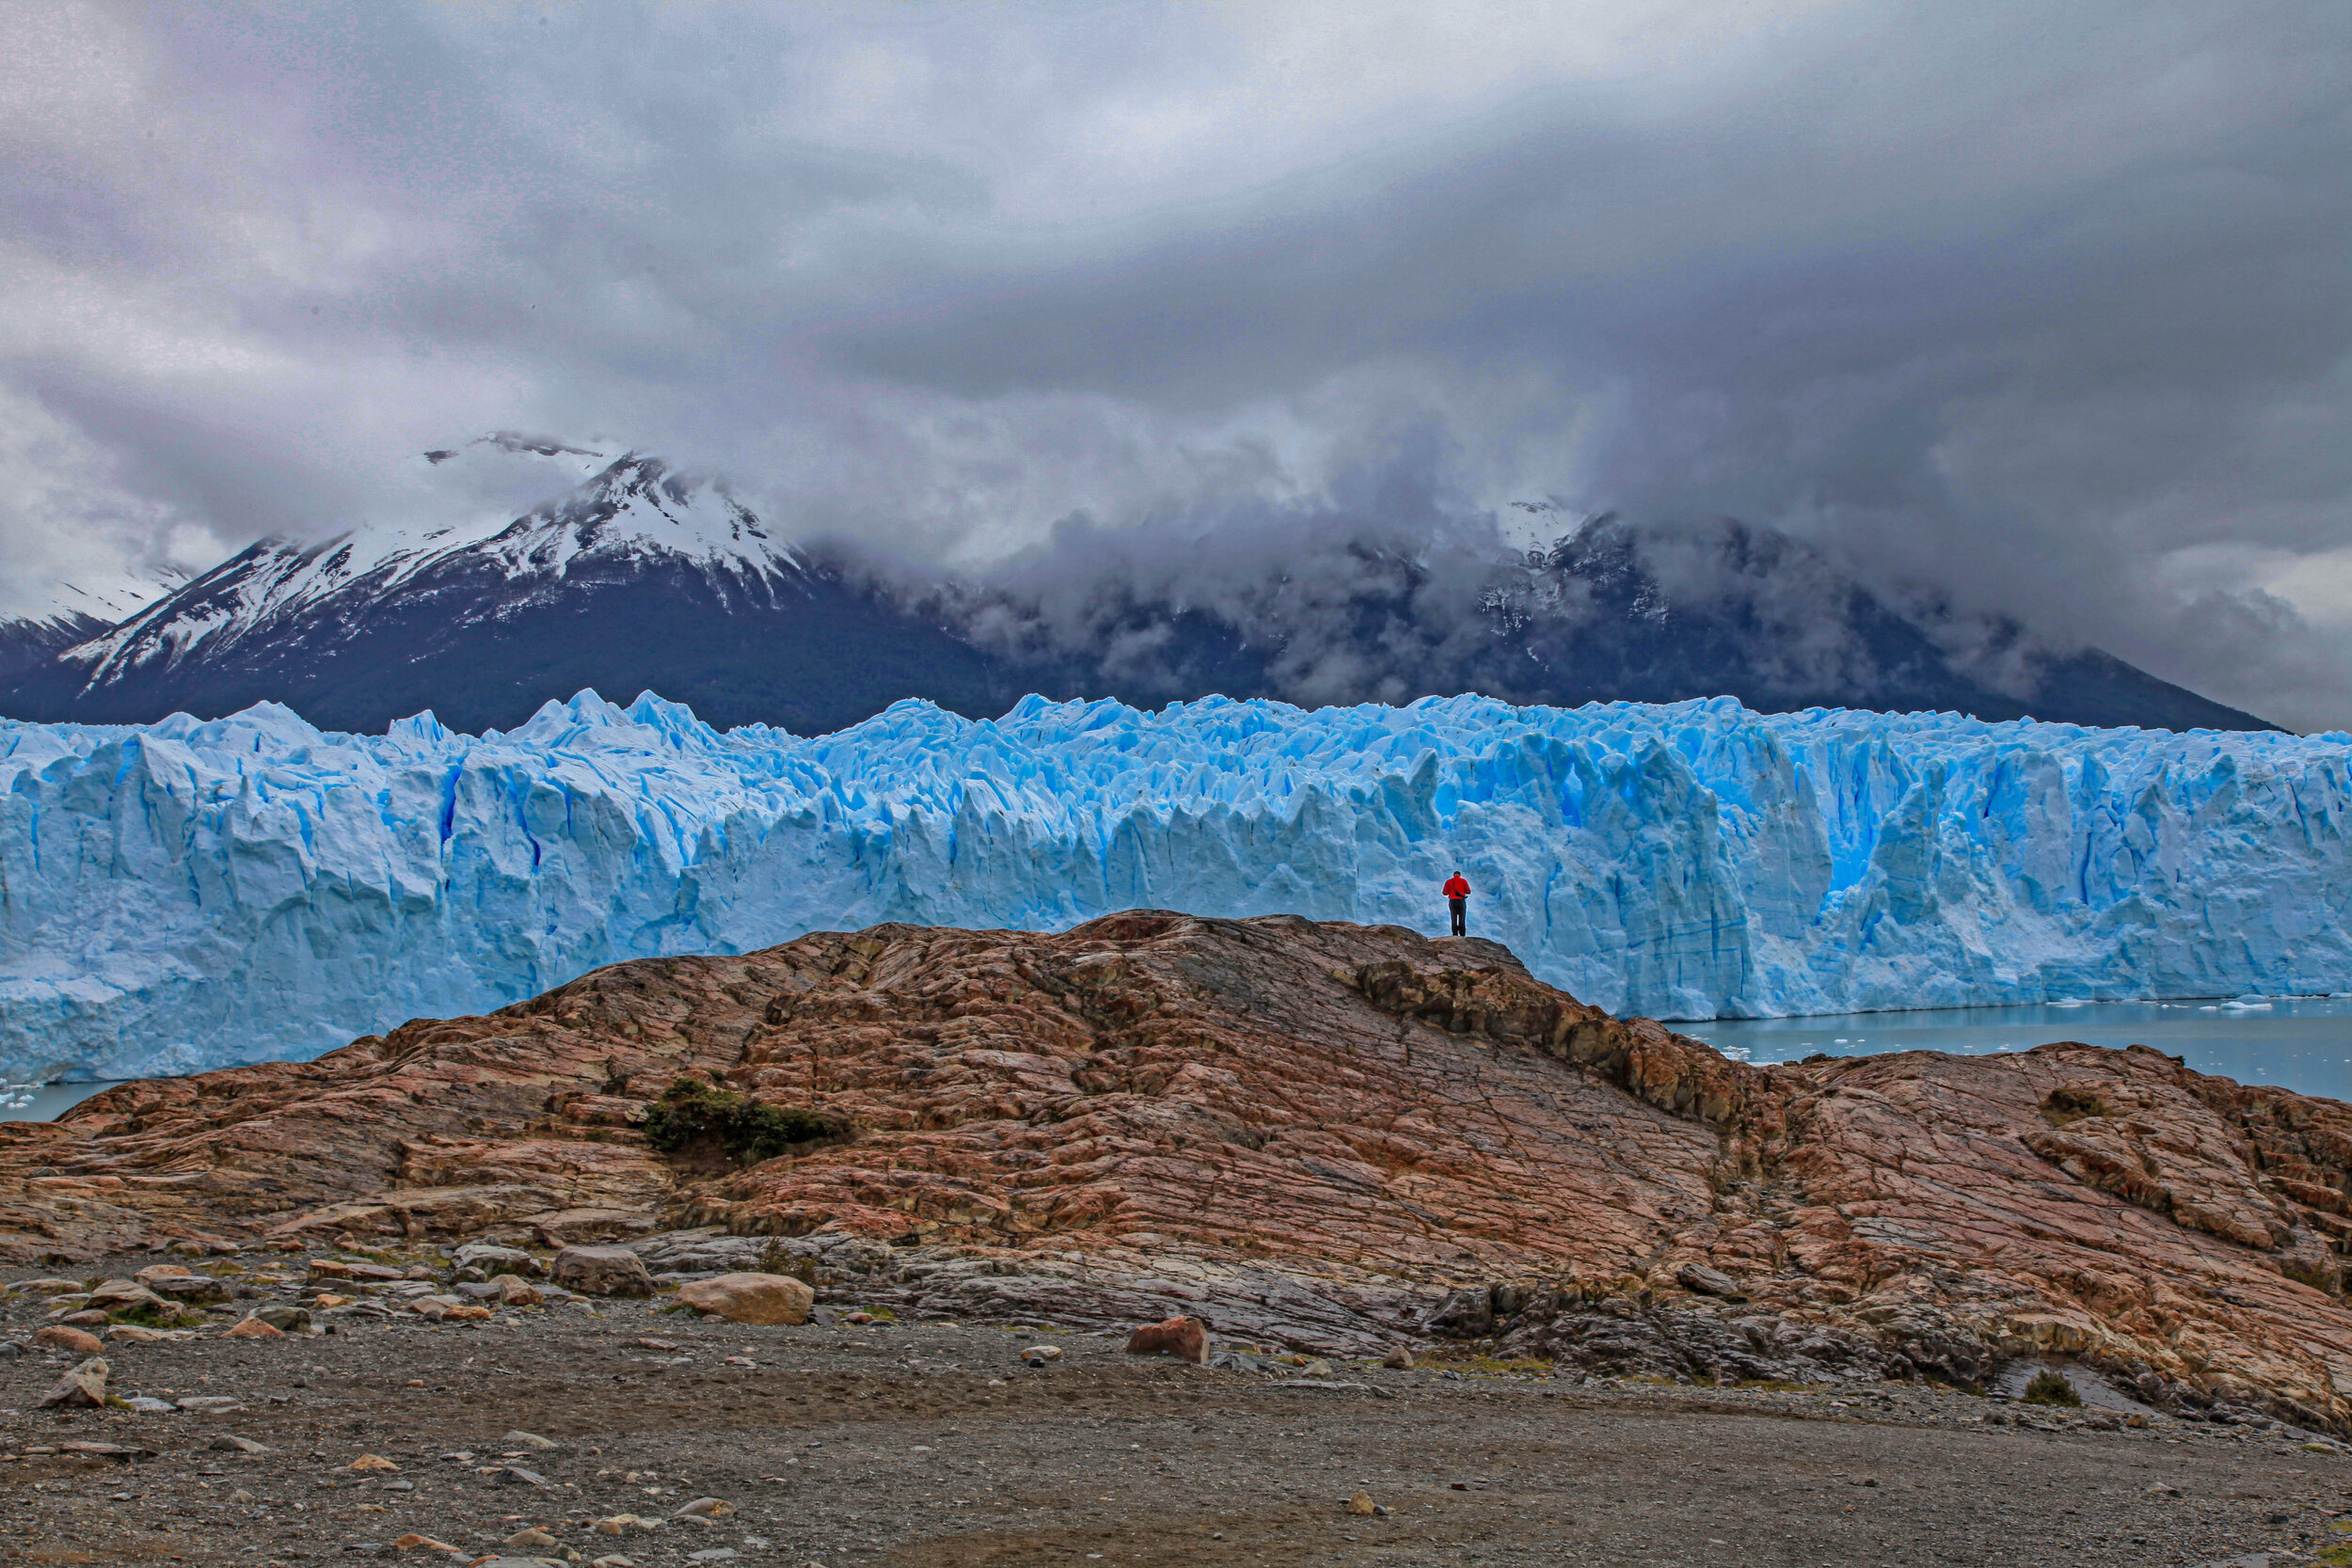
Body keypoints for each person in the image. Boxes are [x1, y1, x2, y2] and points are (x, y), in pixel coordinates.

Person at [1442, 870, 1470, 937]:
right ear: (1459, 875)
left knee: (1453, 918)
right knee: (1462, 919)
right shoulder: (1463, 881)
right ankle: (1462, 935)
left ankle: (1455, 934)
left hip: (1452, 902)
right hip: (1461, 901)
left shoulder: (1448, 881)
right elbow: (1468, 891)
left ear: (1453, 875)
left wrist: (1450, 891)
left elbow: (1444, 893)